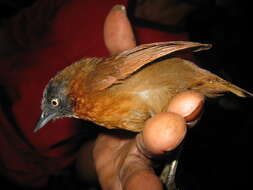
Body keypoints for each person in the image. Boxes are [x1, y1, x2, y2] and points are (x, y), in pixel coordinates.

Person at [0, 0, 203, 189]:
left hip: (30, 174)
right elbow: (14, 32)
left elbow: (77, 163)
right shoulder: (91, 3)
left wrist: (100, 165)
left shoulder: (183, 64)